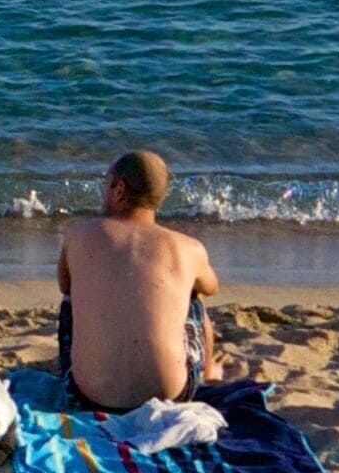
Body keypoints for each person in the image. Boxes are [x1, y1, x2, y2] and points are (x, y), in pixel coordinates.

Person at [57, 149, 220, 408]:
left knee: (70, 299)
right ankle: (209, 371)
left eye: (105, 183)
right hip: (172, 395)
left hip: (88, 395)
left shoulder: (78, 234)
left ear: (118, 188)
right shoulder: (188, 248)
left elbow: (65, 286)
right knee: (193, 295)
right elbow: (212, 287)